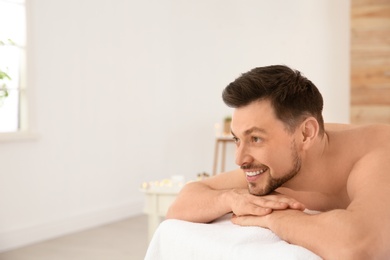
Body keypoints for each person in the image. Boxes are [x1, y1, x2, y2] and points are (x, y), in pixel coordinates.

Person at [166, 65, 390, 259]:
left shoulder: (378, 154)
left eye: (256, 138)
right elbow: (182, 204)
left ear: (305, 134)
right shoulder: (278, 168)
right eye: (237, 139)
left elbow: (360, 247)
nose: (239, 159)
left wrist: (275, 217)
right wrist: (231, 199)